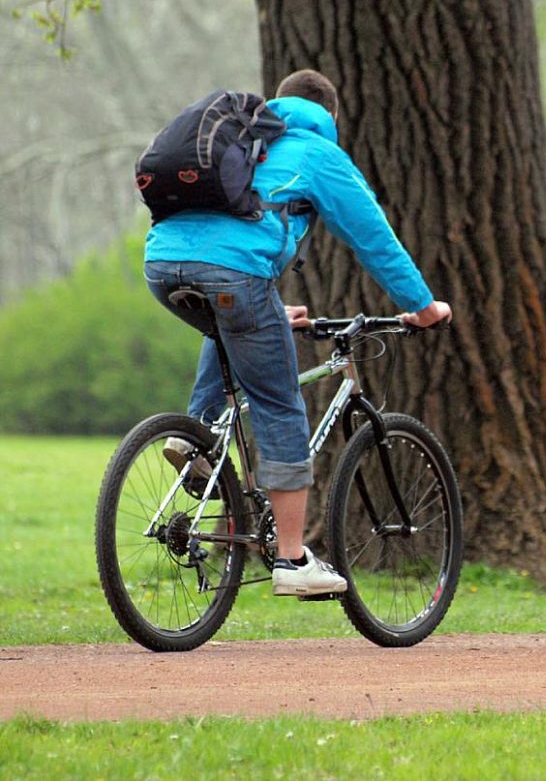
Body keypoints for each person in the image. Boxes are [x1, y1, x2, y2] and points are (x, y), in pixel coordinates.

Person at [144, 69, 451, 597]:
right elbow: (376, 242)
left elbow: (211, 232)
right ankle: (291, 560)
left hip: (161, 266)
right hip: (235, 277)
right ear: (330, 116)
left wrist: (262, 304)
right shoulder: (318, 153)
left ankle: (196, 435)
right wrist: (423, 309)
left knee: (228, 325)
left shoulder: (241, 140)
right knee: (281, 404)